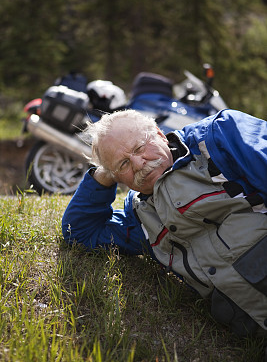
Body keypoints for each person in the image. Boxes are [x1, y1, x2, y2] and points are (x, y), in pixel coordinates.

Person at [62, 108, 267, 337]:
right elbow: (78, 231)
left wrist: (117, 162)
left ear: (160, 134)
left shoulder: (218, 136)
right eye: (124, 165)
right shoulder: (140, 218)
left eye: (140, 148)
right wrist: (105, 173)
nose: (139, 164)